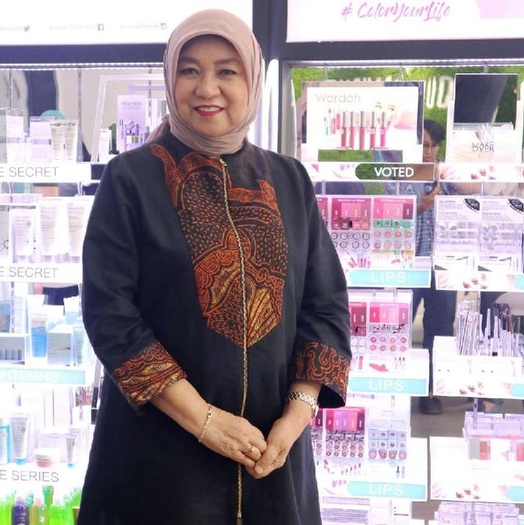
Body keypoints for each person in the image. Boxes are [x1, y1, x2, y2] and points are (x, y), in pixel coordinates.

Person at [77, 9, 351, 525]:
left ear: (253, 80)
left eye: (227, 70)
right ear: (170, 78)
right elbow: (111, 315)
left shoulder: (289, 180)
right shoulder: (131, 179)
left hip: (270, 456)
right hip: (159, 458)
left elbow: (325, 303)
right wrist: (204, 421)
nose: (207, 88)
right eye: (189, 70)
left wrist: (297, 414)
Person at [404, 119, 458, 415]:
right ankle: (398, 388)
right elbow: (390, 211)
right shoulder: (402, 173)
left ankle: (430, 391)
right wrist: (424, 204)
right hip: (407, 263)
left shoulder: (446, 175)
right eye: (425, 145)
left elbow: (468, 195)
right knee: (399, 325)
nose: (429, 151)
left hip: (442, 265)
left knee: (439, 329)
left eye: (435, 145)